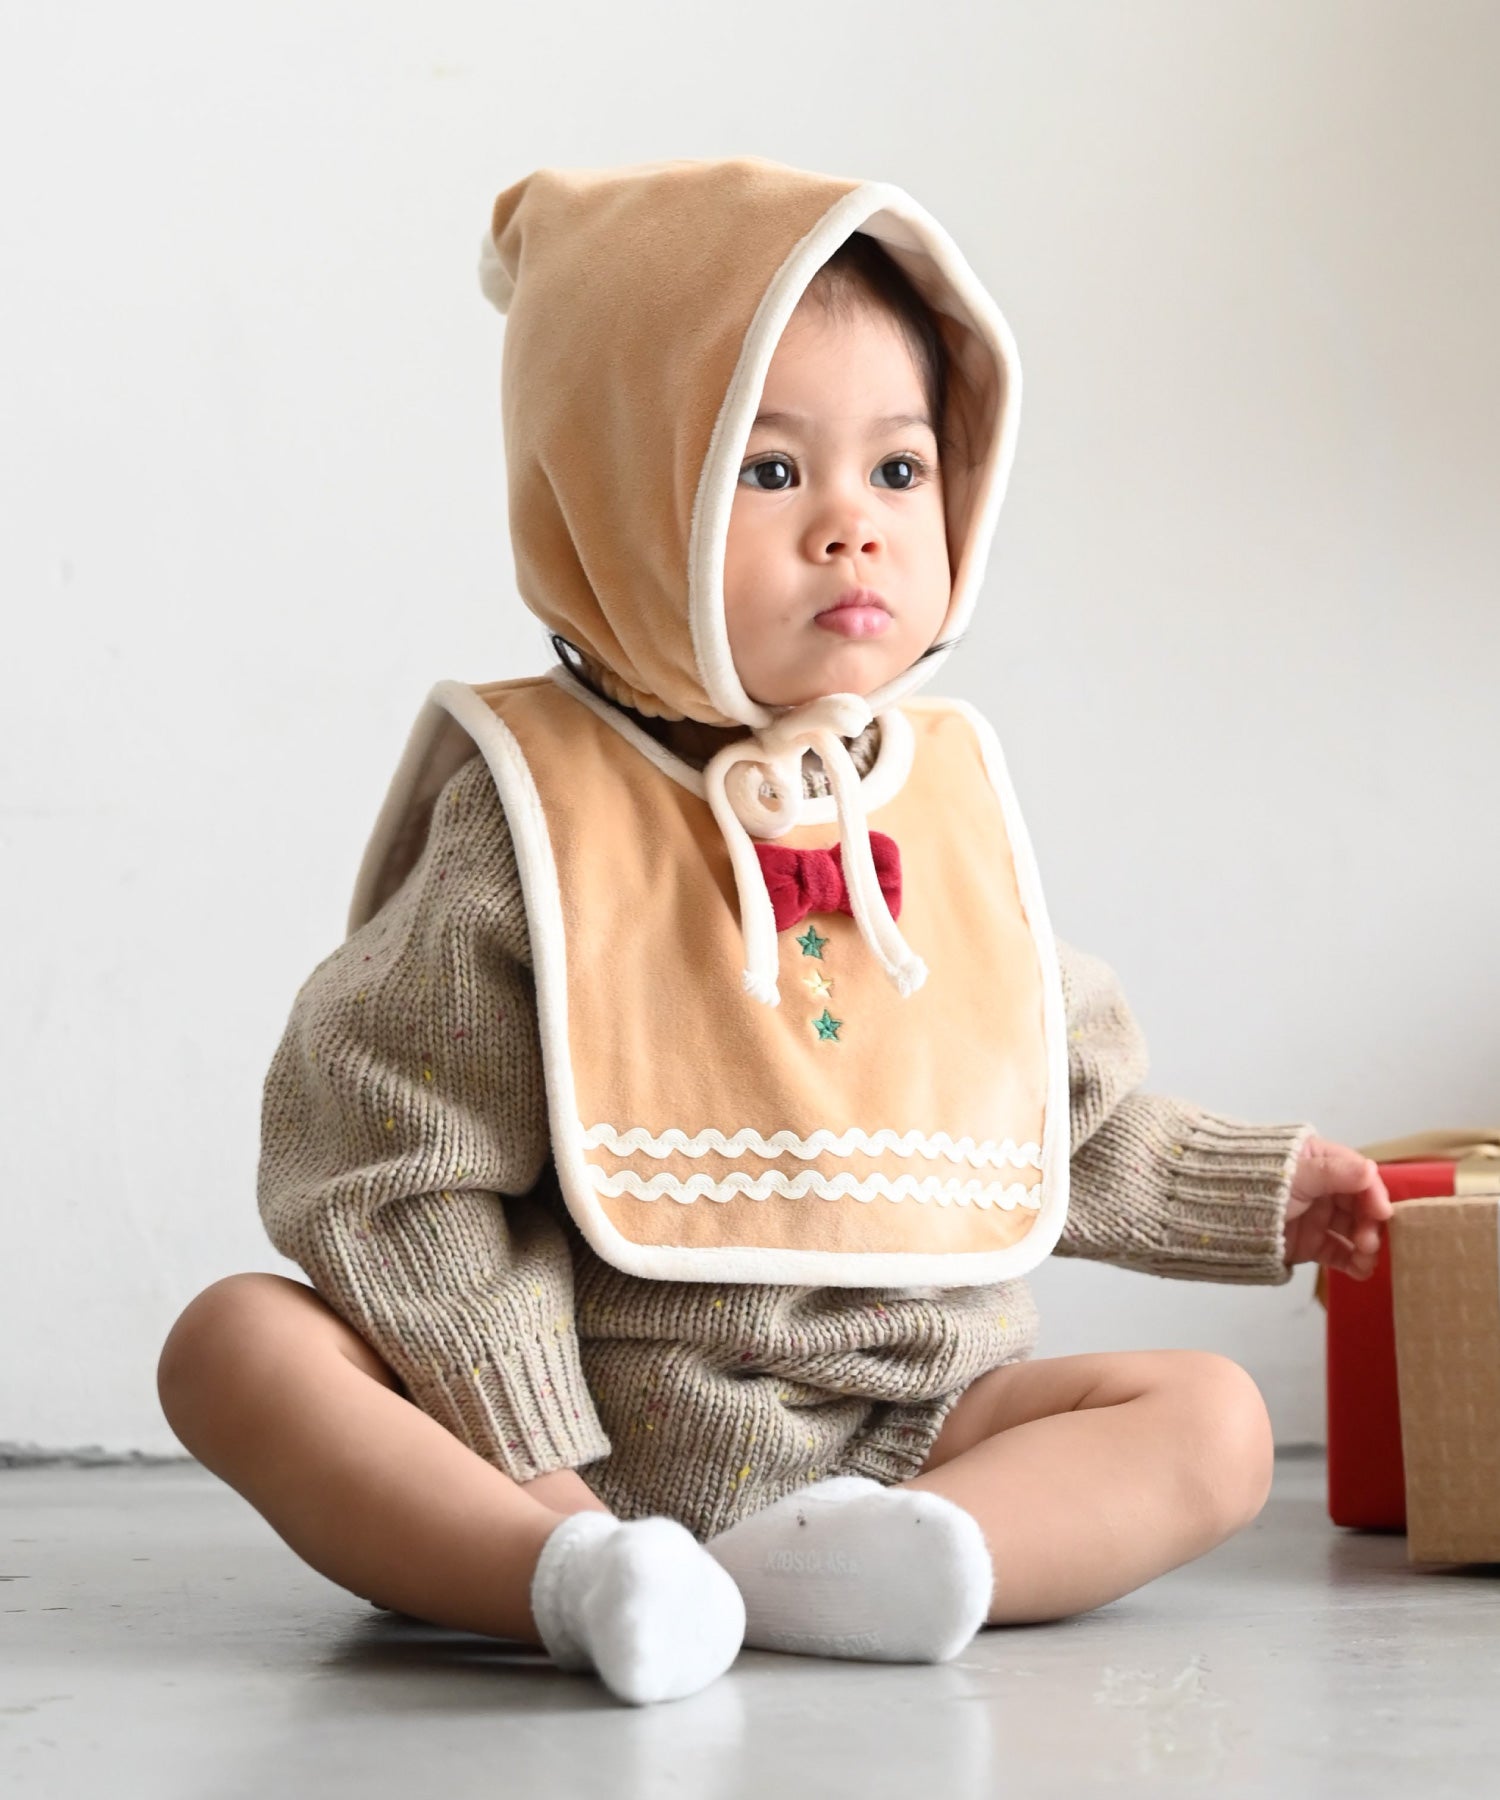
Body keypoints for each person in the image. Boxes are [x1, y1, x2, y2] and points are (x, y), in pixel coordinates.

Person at [155, 155, 1392, 1709]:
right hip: (564, 1424)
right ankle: (568, 1580)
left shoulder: (938, 804)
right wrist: (532, 1452)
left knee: (1210, 1421)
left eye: (900, 469)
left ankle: (892, 1562)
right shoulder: (536, 821)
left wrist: (1261, 1190)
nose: (852, 529)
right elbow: (397, 1165)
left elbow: (1038, 1112)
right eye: (770, 470)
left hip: (907, 1427)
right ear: (615, 499)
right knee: (237, 1345)